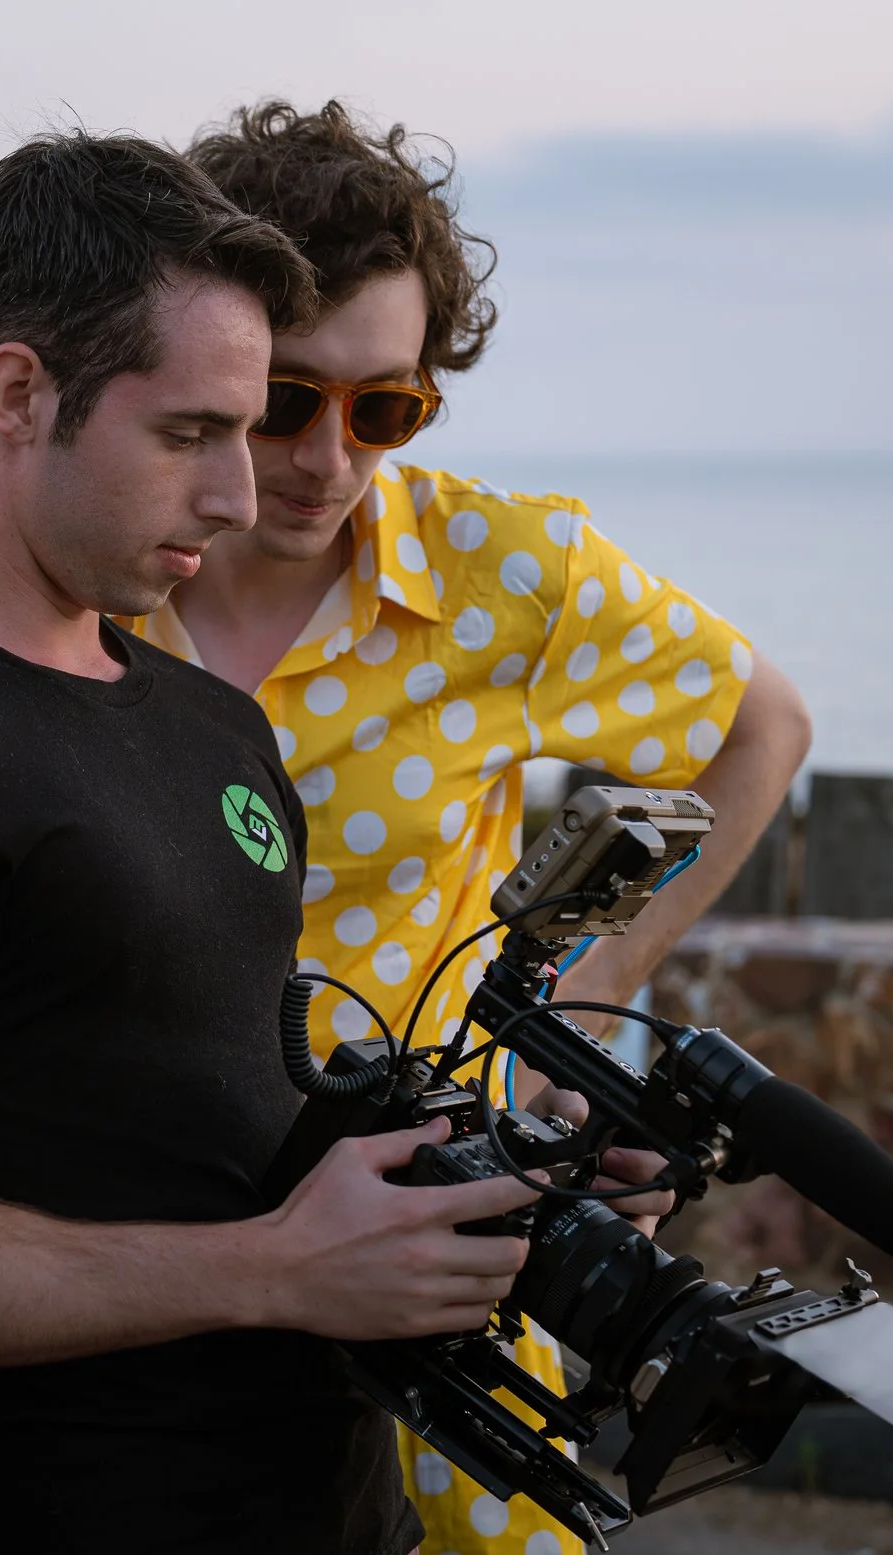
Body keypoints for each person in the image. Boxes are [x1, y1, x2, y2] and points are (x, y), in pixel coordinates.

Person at [0, 132, 573, 1555]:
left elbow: (203, 1125)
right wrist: (276, 1269)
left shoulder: (208, 725)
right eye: (190, 433)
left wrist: (490, 1178)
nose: (239, 494)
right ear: (19, 392)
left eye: (247, 428)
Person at [141, 99, 815, 1555]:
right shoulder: (96, 568)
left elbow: (762, 728)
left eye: (385, 406)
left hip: (438, 1244)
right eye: (283, 400)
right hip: (156, 1245)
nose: (329, 458)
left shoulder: (509, 574)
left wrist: (589, 992)